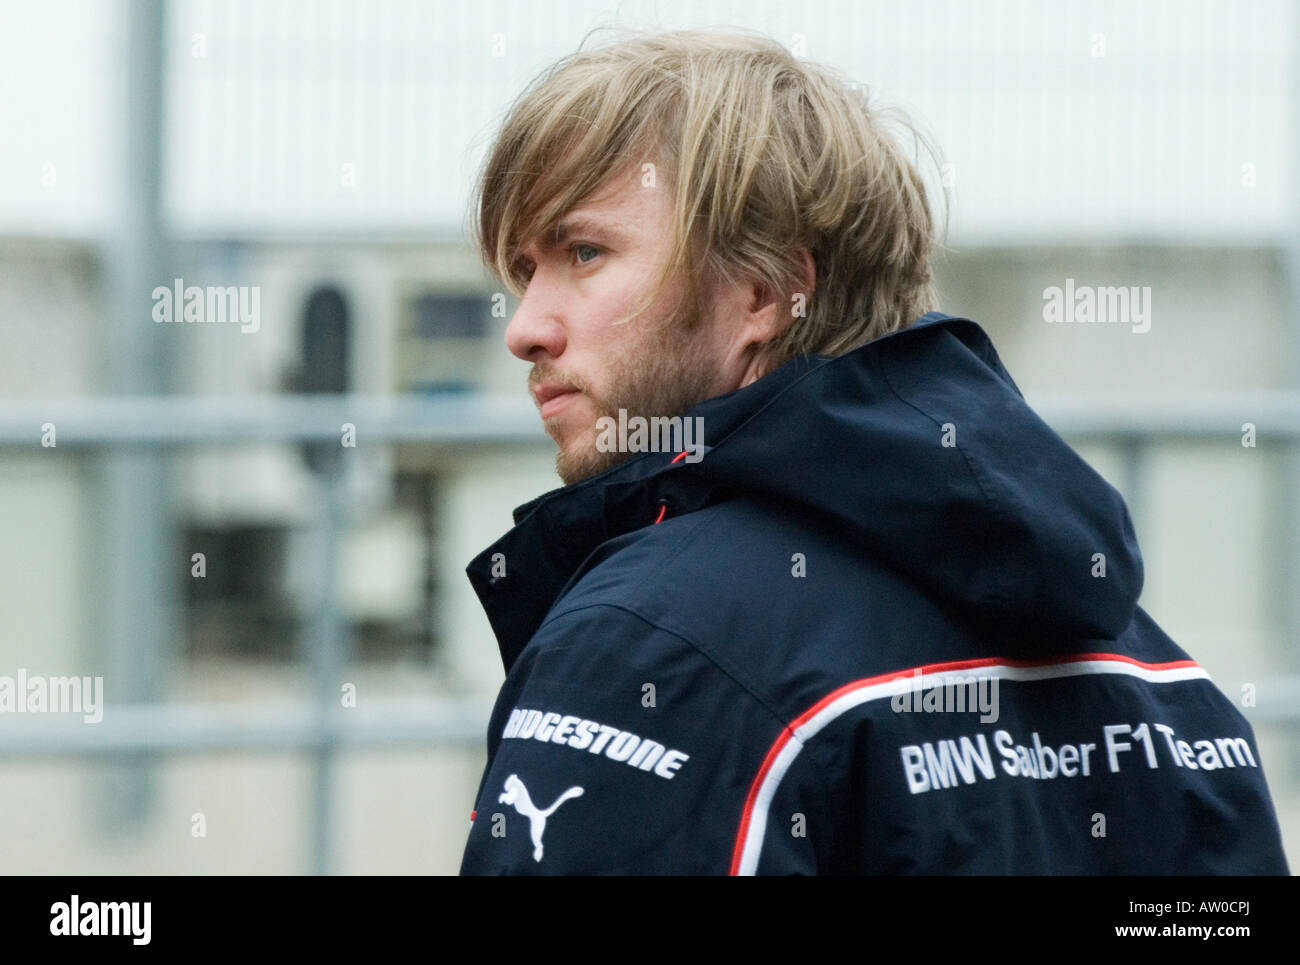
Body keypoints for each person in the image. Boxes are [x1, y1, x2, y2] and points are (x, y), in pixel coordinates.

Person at [457, 27, 1290, 874]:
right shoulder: (1172, 694)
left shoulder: (649, 651)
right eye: (524, 273)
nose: (525, 329)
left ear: (762, 293)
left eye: (585, 252)